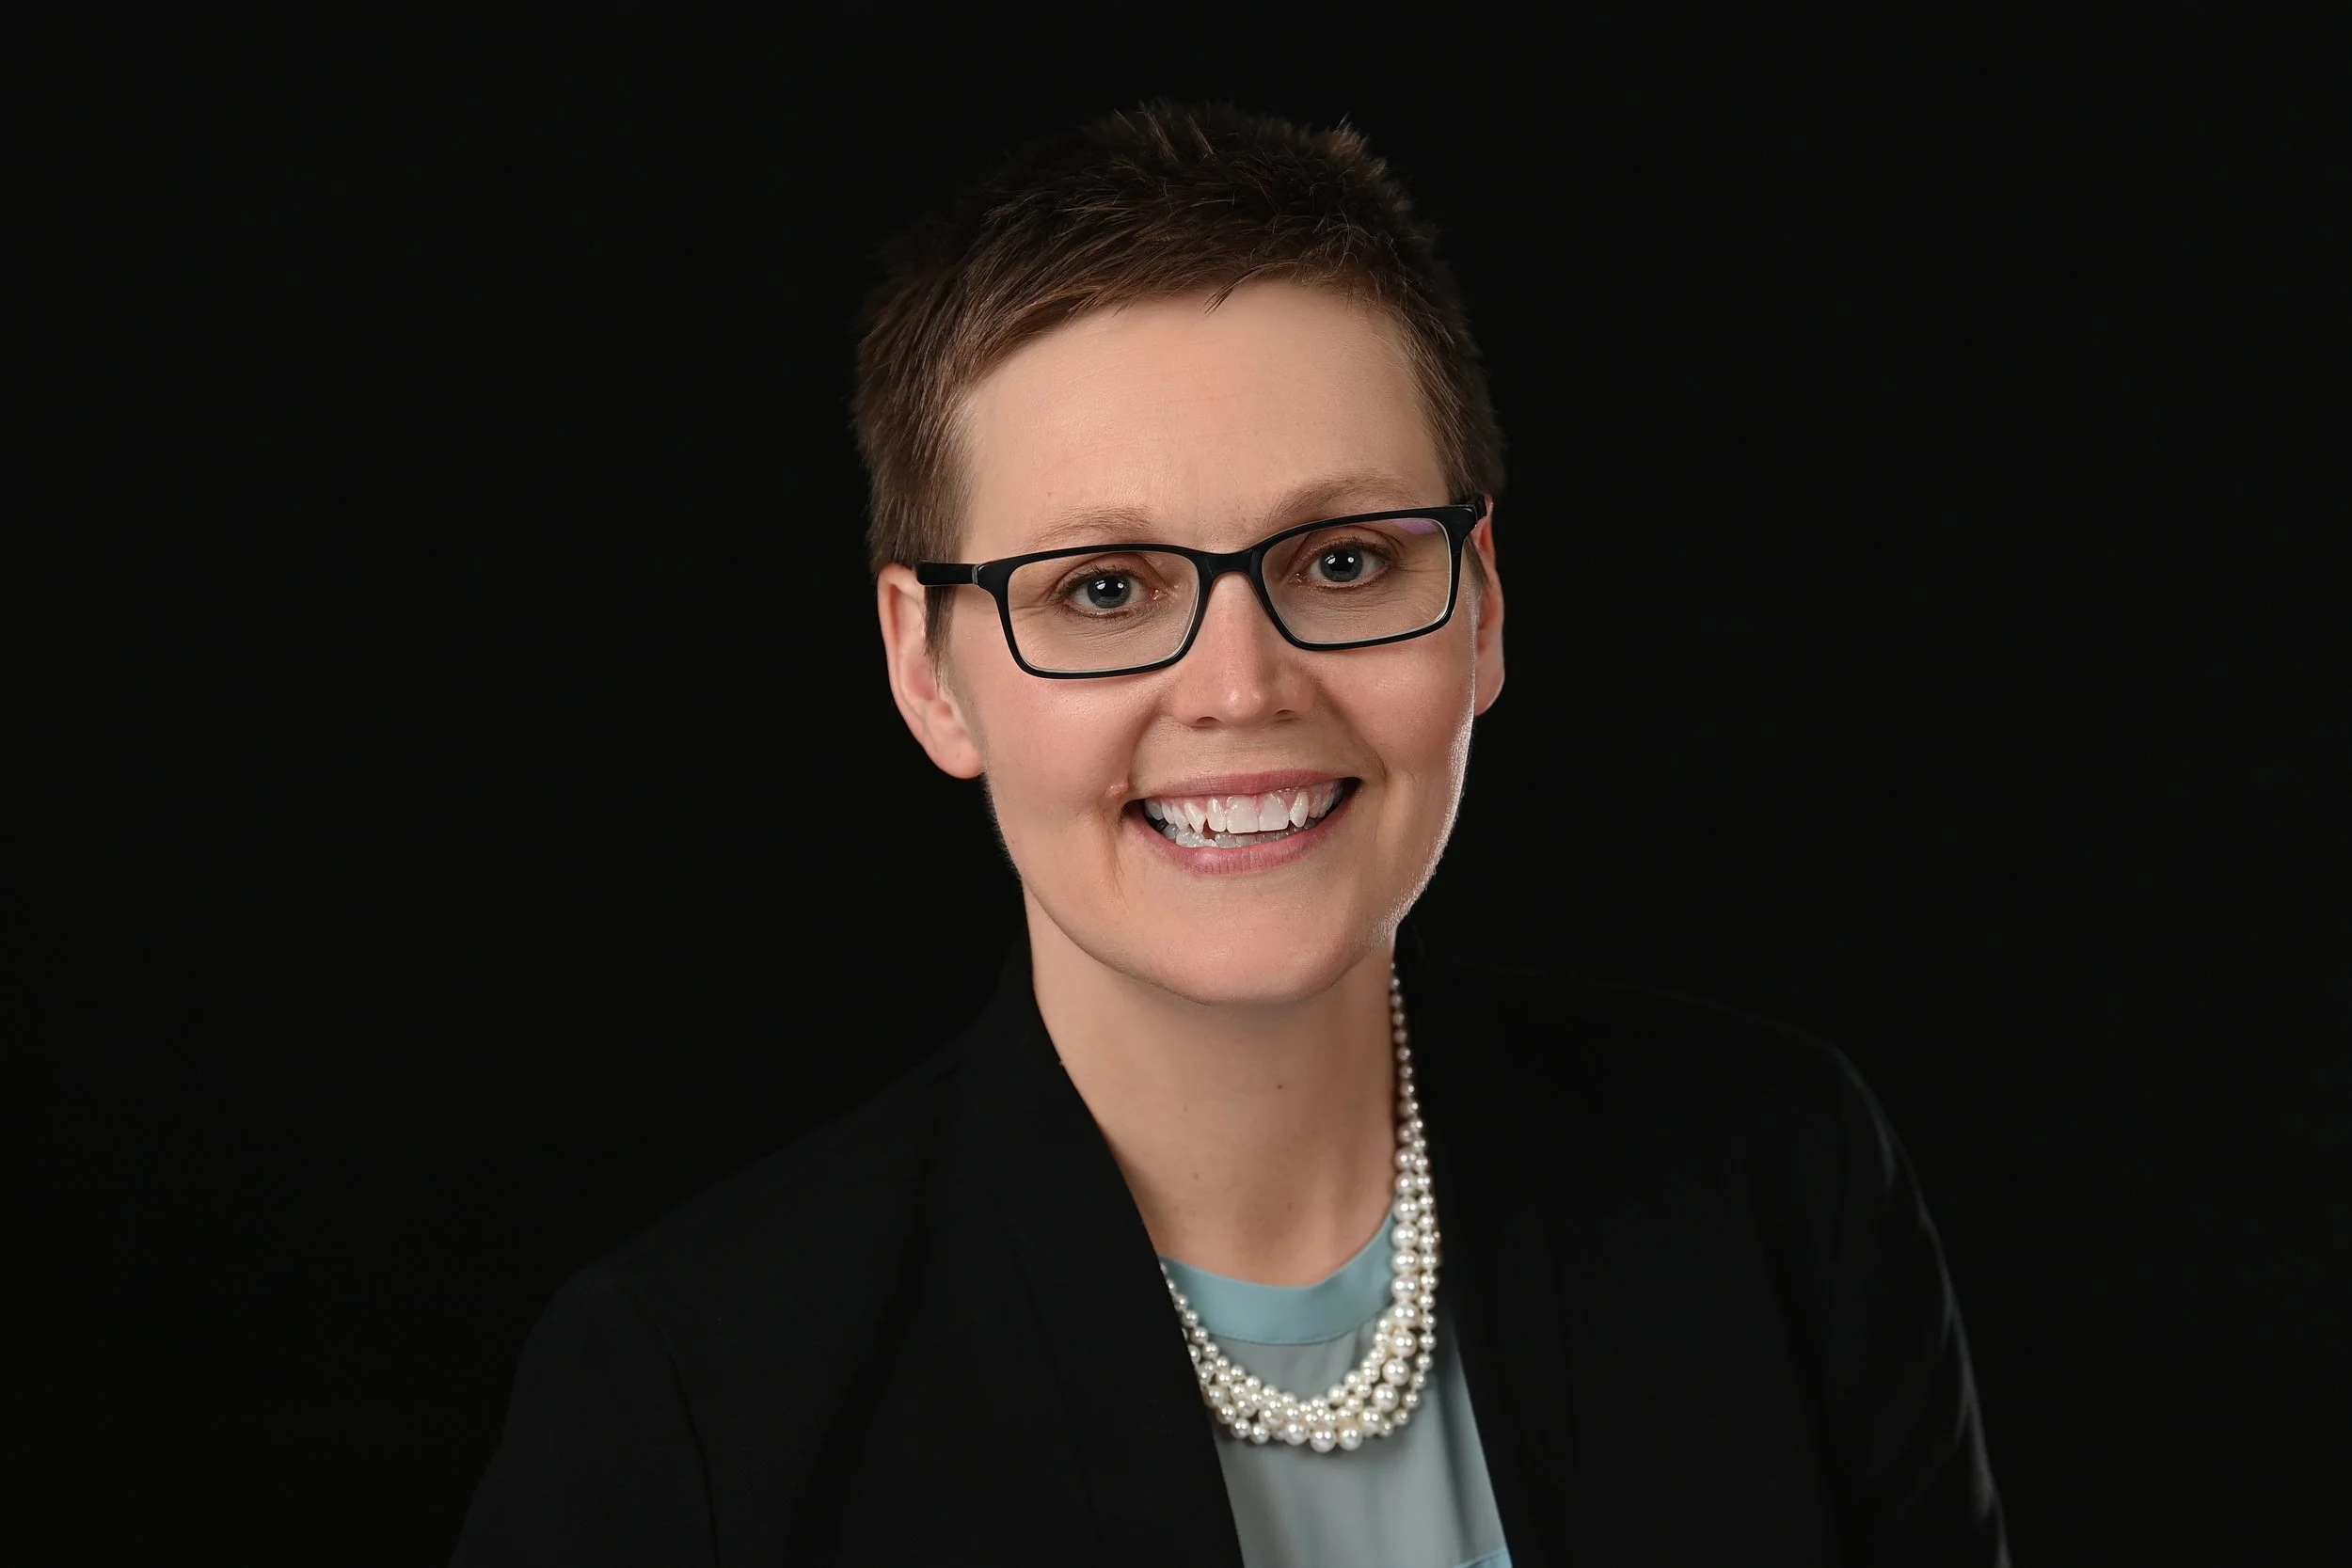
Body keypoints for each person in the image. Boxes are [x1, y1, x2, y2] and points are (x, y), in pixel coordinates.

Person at [453, 101, 2010, 1567]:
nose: (1240, 686)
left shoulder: (1778, 1183)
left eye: (1341, 560)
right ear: (928, 669)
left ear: (1482, 612)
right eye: (1105, 589)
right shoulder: (691, 1402)